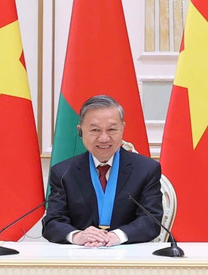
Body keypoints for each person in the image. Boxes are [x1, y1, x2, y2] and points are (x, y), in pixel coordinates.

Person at [42, 95, 163, 246]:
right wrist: (78, 236)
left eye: (112, 129)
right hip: (78, 257)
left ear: (122, 129)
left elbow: (151, 221)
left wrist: (117, 236)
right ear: (80, 131)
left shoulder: (146, 169)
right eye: (95, 130)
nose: (104, 138)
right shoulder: (63, 172)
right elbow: (52, 222)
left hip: (130, 258)